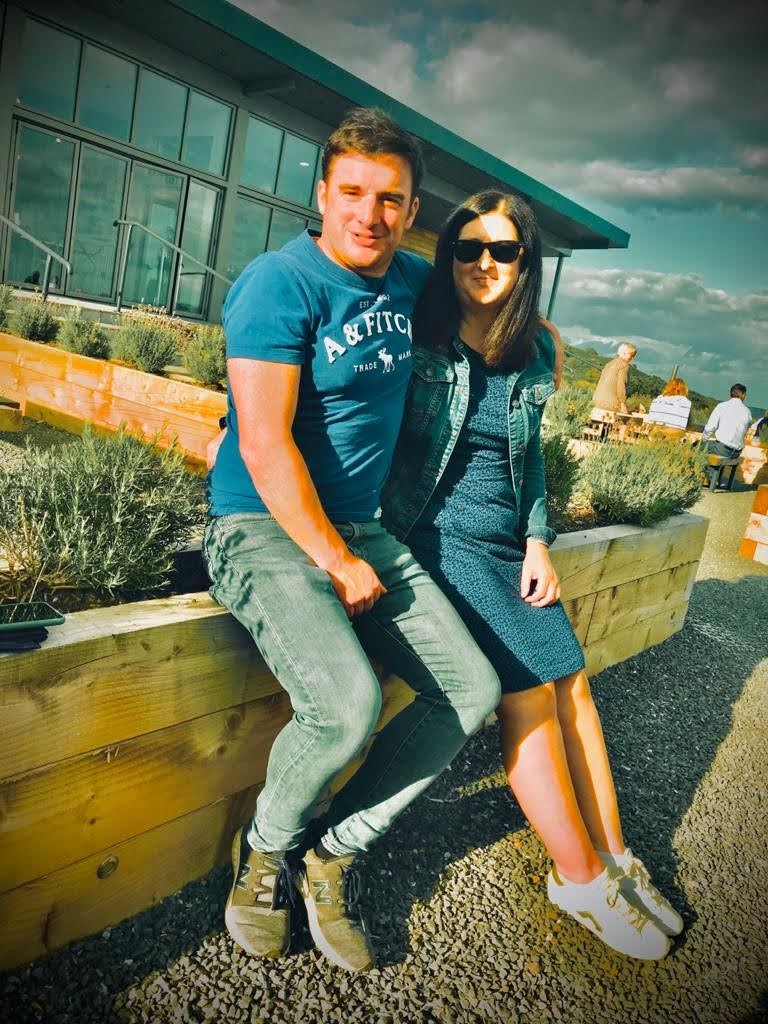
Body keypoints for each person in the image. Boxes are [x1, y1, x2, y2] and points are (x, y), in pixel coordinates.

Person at [203, 107, 502, 973]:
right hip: (261, 527)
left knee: (471, 691)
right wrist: (334, 559)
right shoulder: (279, 284)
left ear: (413, 211)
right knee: (345, 709)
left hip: (363, 530)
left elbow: (496, 309)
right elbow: (264, 445)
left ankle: (333, 852)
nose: (370, 214)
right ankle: (266, 851)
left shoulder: (410, 280)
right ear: (323, 193)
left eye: (391, 199)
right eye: (354, 193)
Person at [382, 189, 682, 960]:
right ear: (448, 253)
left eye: (504, 250)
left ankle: (613, 855)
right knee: (528, 695)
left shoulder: (536, 347)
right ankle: (578, 879)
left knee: (572, 682)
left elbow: (533, 466)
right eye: (468, 247)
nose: (484, 262)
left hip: (507, 543)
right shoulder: (419, 326)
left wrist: (540, 541)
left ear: (526, 263)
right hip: (435, 536)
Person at [703, 383, 752, 458]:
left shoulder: (722, 406)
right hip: (736, 453)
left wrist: (704, 440)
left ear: (730, 393)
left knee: (695, 446)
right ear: (743, 395)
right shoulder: (747, 412)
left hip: (722, 449)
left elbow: (710, 428)